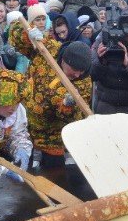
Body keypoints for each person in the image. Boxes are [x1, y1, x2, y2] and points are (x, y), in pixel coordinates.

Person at [9, 19, 93, 168]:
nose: (78, 74)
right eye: (74, 70)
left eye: (82, 71)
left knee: (53, 180)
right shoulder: (47, 49)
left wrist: (67, 106)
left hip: (53, 140)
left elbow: (77, 118)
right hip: (25, 129)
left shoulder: (83, 81)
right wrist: (27, 35)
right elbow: (15, 33)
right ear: (64, 60)